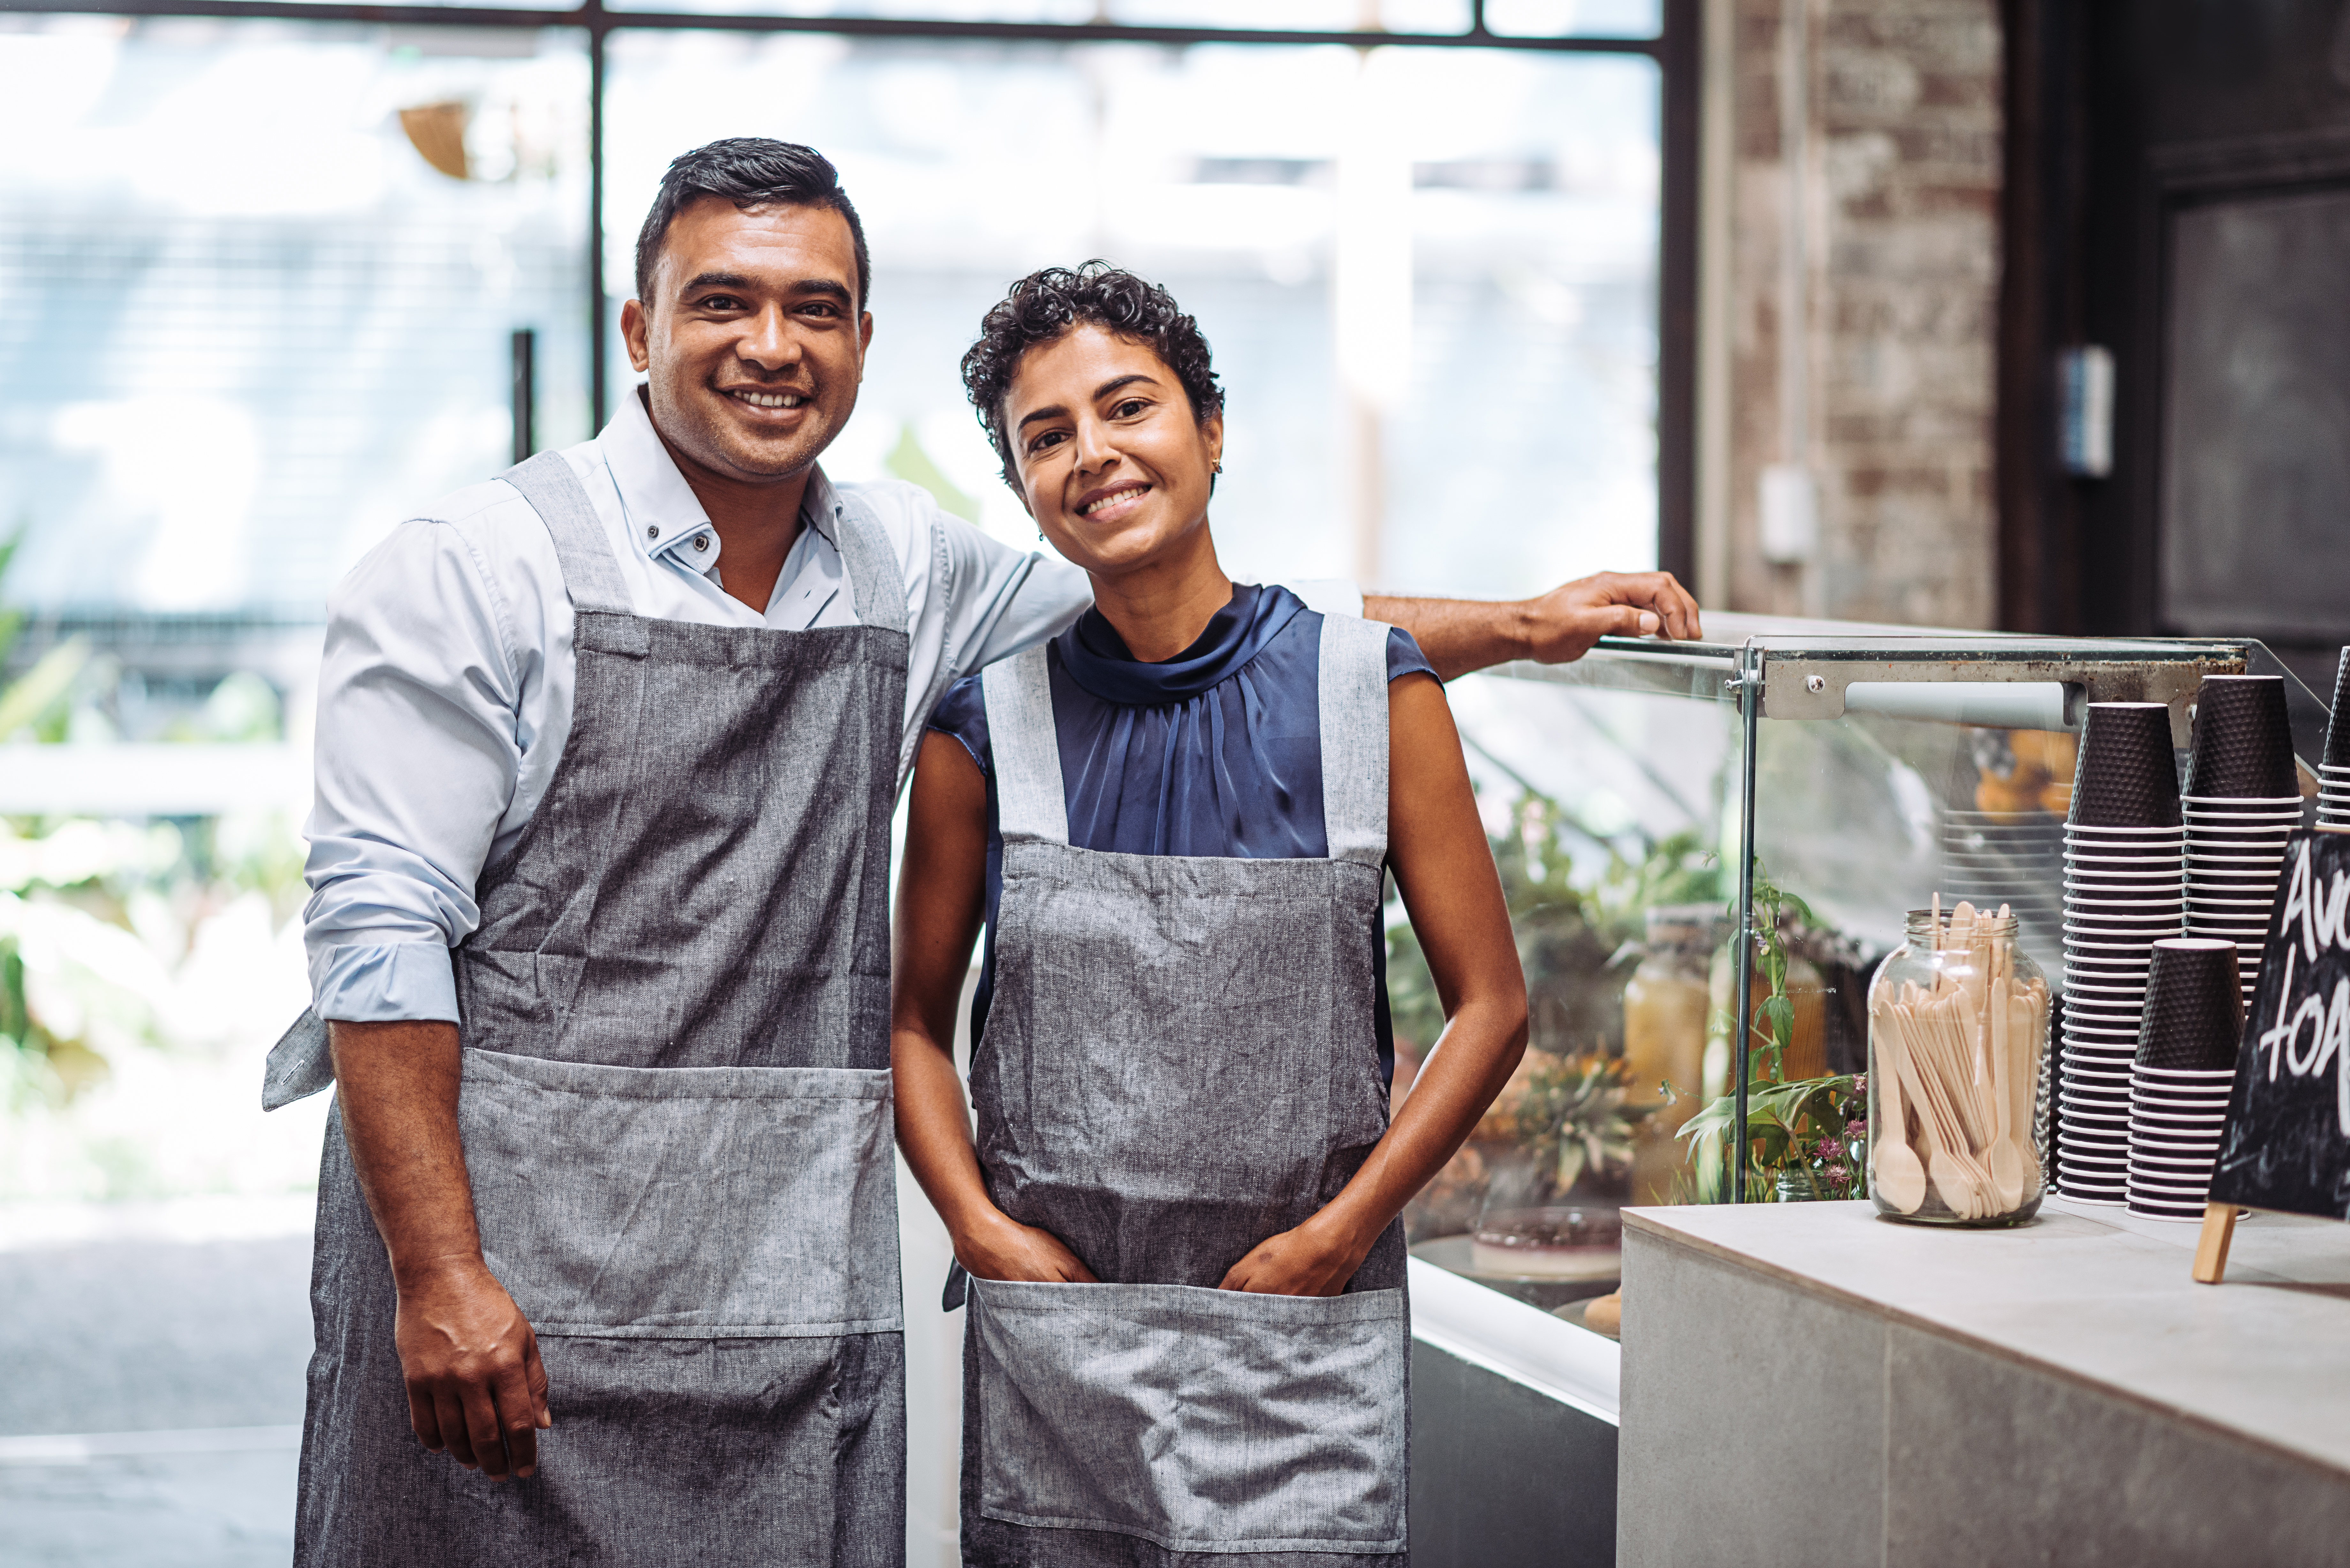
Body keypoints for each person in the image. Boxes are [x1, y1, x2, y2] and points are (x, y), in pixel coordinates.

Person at [268, 138, 1699, 1568]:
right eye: (722, 303)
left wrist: (1518, 625)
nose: (772, 345)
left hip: (781, 1291)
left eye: (815, 309)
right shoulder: (472, 566)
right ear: (640, 329)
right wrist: (441, 1269)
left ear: (860, 341)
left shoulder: (907, 570)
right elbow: (380, 927)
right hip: (505, 1281)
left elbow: (1214, 615)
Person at [891, 262, 1534, 1567]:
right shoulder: (984, 726)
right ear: (1020, 489)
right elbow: (908, 1019)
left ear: (1212, 428)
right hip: (1060, 1351)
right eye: (1046, 436)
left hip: (1305, 1326)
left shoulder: (1371, 692)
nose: (1094, 454)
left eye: (1128, 407)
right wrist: (979, 1229)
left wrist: (1338, 1234)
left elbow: (1493, 1006)